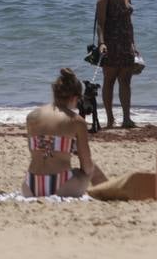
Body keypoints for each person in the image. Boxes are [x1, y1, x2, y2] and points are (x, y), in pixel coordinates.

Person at [23, 68, 108, 197]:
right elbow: (87, 166)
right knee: (91, 169)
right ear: (75, 97)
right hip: (61, 185)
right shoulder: (76, 121)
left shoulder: (32, 116)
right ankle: (109, 190)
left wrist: (67, 148)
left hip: (30, 185)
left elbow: (40, 150)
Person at [94, 0, 140, 128]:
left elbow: (129, 23)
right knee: (109, 81)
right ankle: (110, 118)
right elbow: (101, 24)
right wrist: (102, 43)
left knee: (126, 81)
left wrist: (134, 45)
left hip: (125, 42)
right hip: (111, 43)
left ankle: (126, 118)